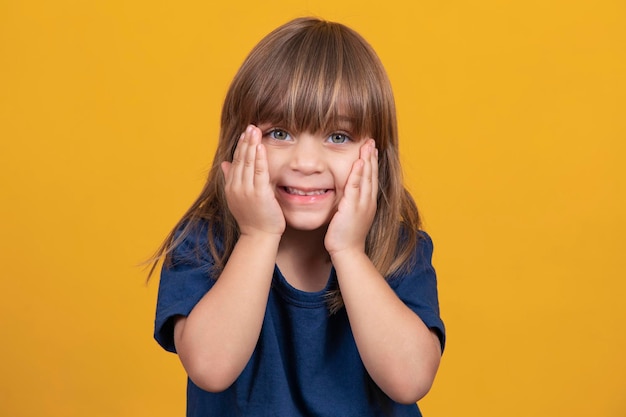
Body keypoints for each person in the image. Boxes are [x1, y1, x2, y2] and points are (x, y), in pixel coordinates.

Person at [151, 16, 445, 417]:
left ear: (376, 153)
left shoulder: (398, 250)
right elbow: (210, 368)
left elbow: (410, 380)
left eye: (337, 137)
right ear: (239, 140)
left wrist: (350, 252)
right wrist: (257, 236)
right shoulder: (206, 242)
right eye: (279, 134)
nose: (306, 162)